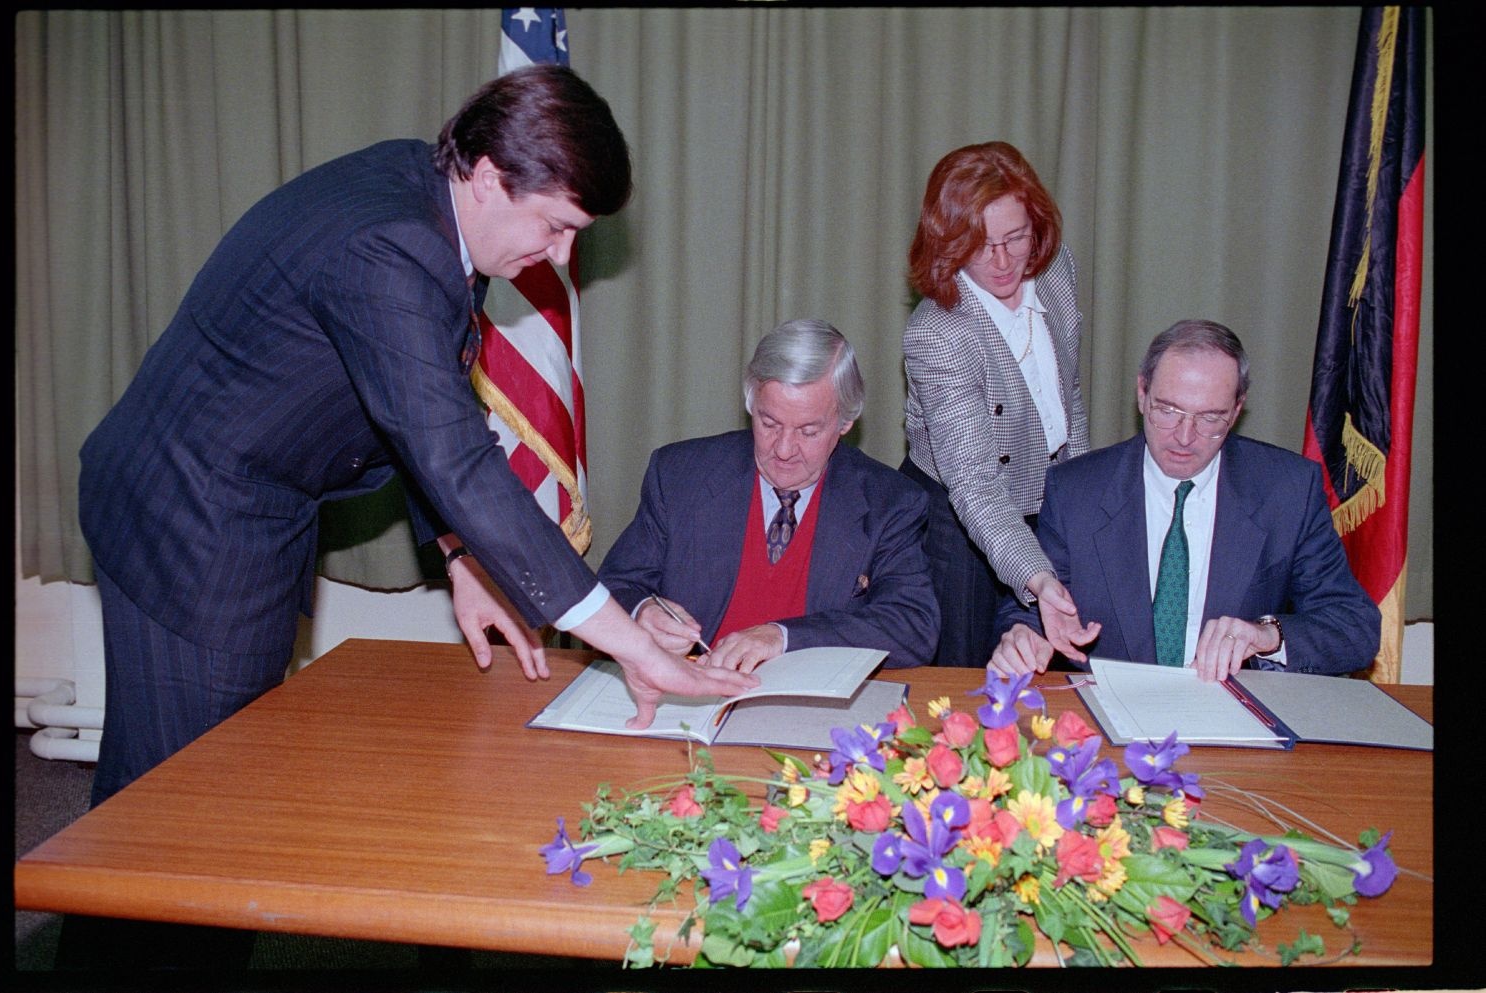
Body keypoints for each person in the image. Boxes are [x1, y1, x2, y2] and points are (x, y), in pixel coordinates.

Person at [76, 65, 757, 810]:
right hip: (189, 516)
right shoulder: (393, 245)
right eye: (557, 225)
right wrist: (630, 643)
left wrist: (461, 554)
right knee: (175, 805)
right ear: (493, 176)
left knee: (218, 779)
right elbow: (454, 456)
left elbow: (412, 403)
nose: (562, 256)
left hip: (248, 500)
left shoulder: (437, 195)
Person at [990, 319, 1381, 681]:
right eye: (1168, 410)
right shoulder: (1077, 490)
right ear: (1142, 393)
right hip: (1110, 720)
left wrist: (1267, 634)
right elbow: (1027, 610)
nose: (1183, 436)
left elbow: (1355, 627)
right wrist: (1021, 638)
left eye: (1210, 418)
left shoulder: (1286, 490)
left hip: (1234, 720)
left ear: (1237, 410)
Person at [598, 319, 940, 672]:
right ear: (751, 404)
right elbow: (615, 586)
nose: (784, 449)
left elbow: (912, 628)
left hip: (810, 707)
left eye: (808, 431)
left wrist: (783, 637)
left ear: (845, 423)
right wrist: (643, 612)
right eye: (769, 423)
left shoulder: (891, 502)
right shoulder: (679, 475)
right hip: (691, 693)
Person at [899, 141, 1093, 668]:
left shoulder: (1056, 273)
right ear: (949, 242)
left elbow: (1067, 395)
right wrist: (1039, 575)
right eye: (982, 245)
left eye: (1017, 238)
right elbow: (977, 486)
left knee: (1049, 673)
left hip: (1047, 496)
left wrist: (1078, 504)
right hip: (960, 521)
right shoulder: (938, 334)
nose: (1005, 261)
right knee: (967, 673)